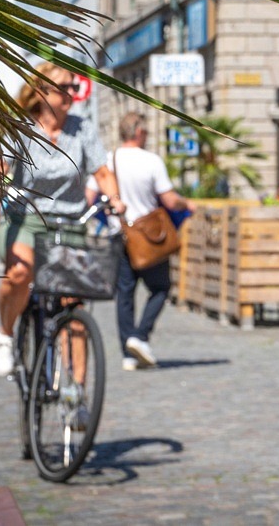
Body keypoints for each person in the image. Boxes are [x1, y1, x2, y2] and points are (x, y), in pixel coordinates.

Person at [0, 63, 125, 377]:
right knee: (20, 273)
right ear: (41, 92)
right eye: (63, 87)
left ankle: (75, 393)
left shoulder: (82, 127)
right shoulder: (21, 127)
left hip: (70, 222)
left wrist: (116, 199)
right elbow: (0, 165)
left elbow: (102, 173)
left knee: (73, 305)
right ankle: (5, 335)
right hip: (27, 218)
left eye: (73, 87)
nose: (70, 93)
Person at [108, 112, 195, 371]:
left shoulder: (108, 160)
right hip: (148, 237)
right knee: (160, 288)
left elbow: (92, 192)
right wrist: (187, 204)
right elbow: (169, 200)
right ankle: (140, 335)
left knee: (125, 293)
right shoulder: (151, 161)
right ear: (138, 132)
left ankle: (128, 353)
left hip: (119, 234)